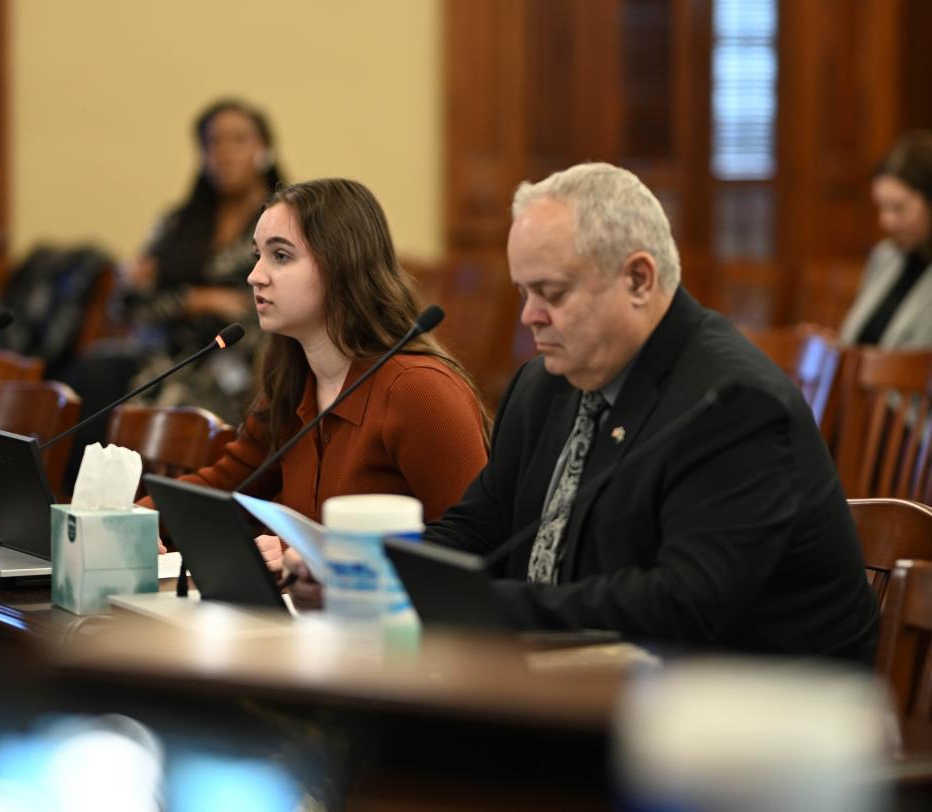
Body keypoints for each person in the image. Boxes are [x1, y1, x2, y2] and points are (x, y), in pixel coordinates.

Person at [286, 162, 879, 663]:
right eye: (524, 293)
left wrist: (474, 609)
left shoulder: (733, 403)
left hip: (758, 732)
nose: (529, 318)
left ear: (640, 279)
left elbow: (679, 606)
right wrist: (361, 574)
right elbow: (478, 529)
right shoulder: (546, 385)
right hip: (591, 691)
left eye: (554, 293)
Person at [146, 178, 489, 570]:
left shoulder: (420, 390)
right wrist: (139, 517)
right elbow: (229, 484)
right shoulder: (291, 378)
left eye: (280, 256)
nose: (254, 276)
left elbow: (475, 544)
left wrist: (321, 559)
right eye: (257, 255)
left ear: (341, 265)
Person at [78, 99, 283, 431]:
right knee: (98, 368)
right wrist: (196, 300)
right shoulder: (178, 224)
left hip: (232, 369)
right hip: (160, 356)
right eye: (213, 142)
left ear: (265, 149)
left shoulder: (282, 223)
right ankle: (80, 484)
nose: (225, 152)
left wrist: (171, 299)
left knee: (164, 397)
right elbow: (127, 303)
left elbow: (257, 313)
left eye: (238, 140)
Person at [839, 130, 932, 347]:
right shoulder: (885, 256)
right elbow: (854, 340)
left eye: (898, 208)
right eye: (881, 207)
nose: (886, 221)